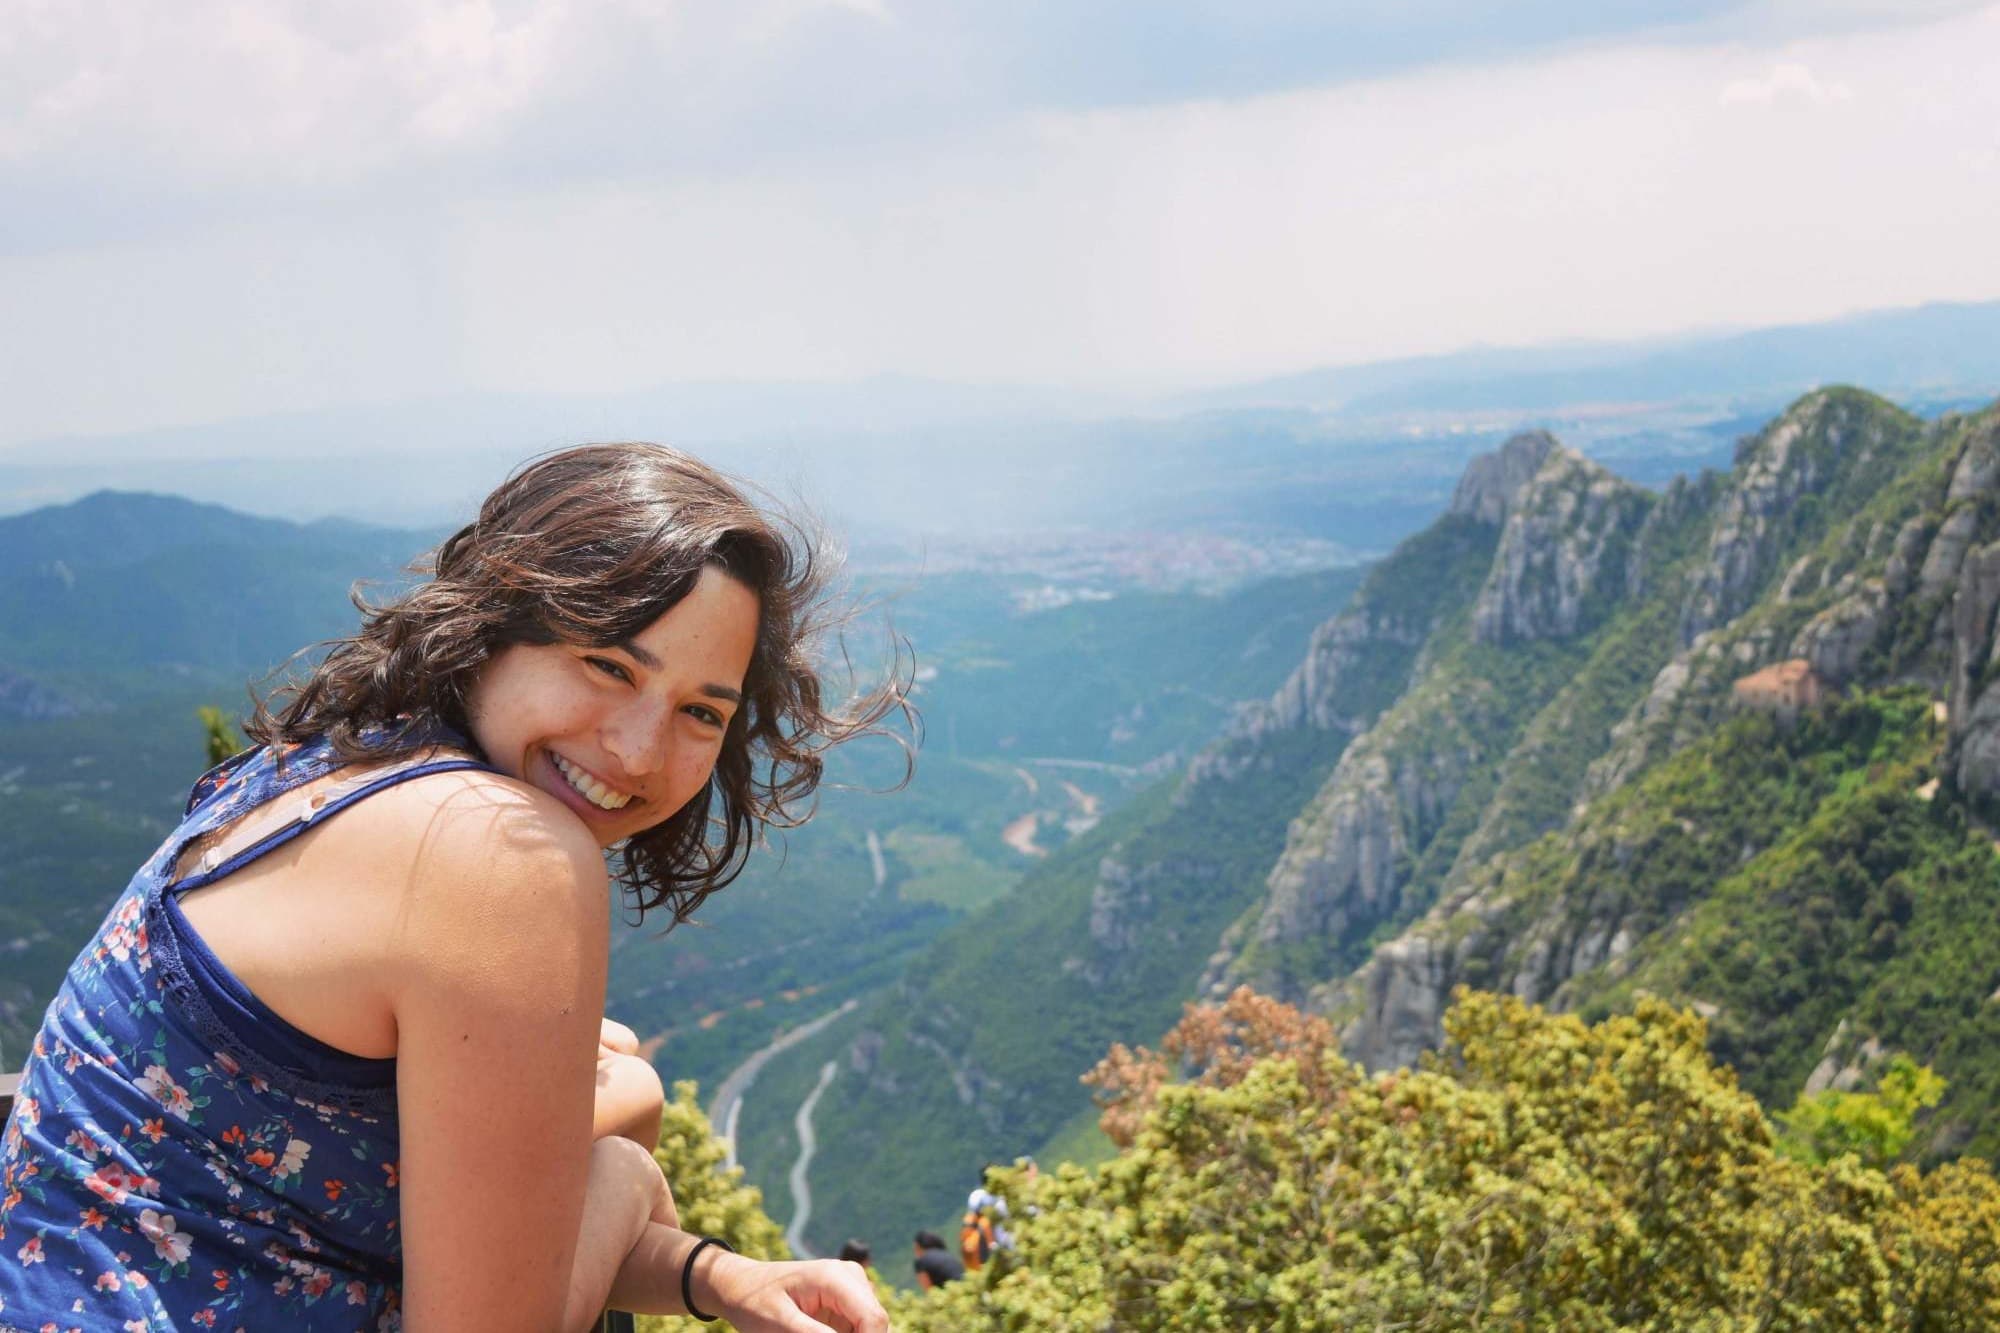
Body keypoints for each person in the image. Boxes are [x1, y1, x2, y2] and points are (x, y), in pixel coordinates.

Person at [0, 444, 904, 1332]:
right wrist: (624, 1172)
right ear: (493, 626)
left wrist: (715, 1273)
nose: (636, 749)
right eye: (609, 665)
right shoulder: (500, 853)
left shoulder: (317, 766)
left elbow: (367, 1229)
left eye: (701, 711)